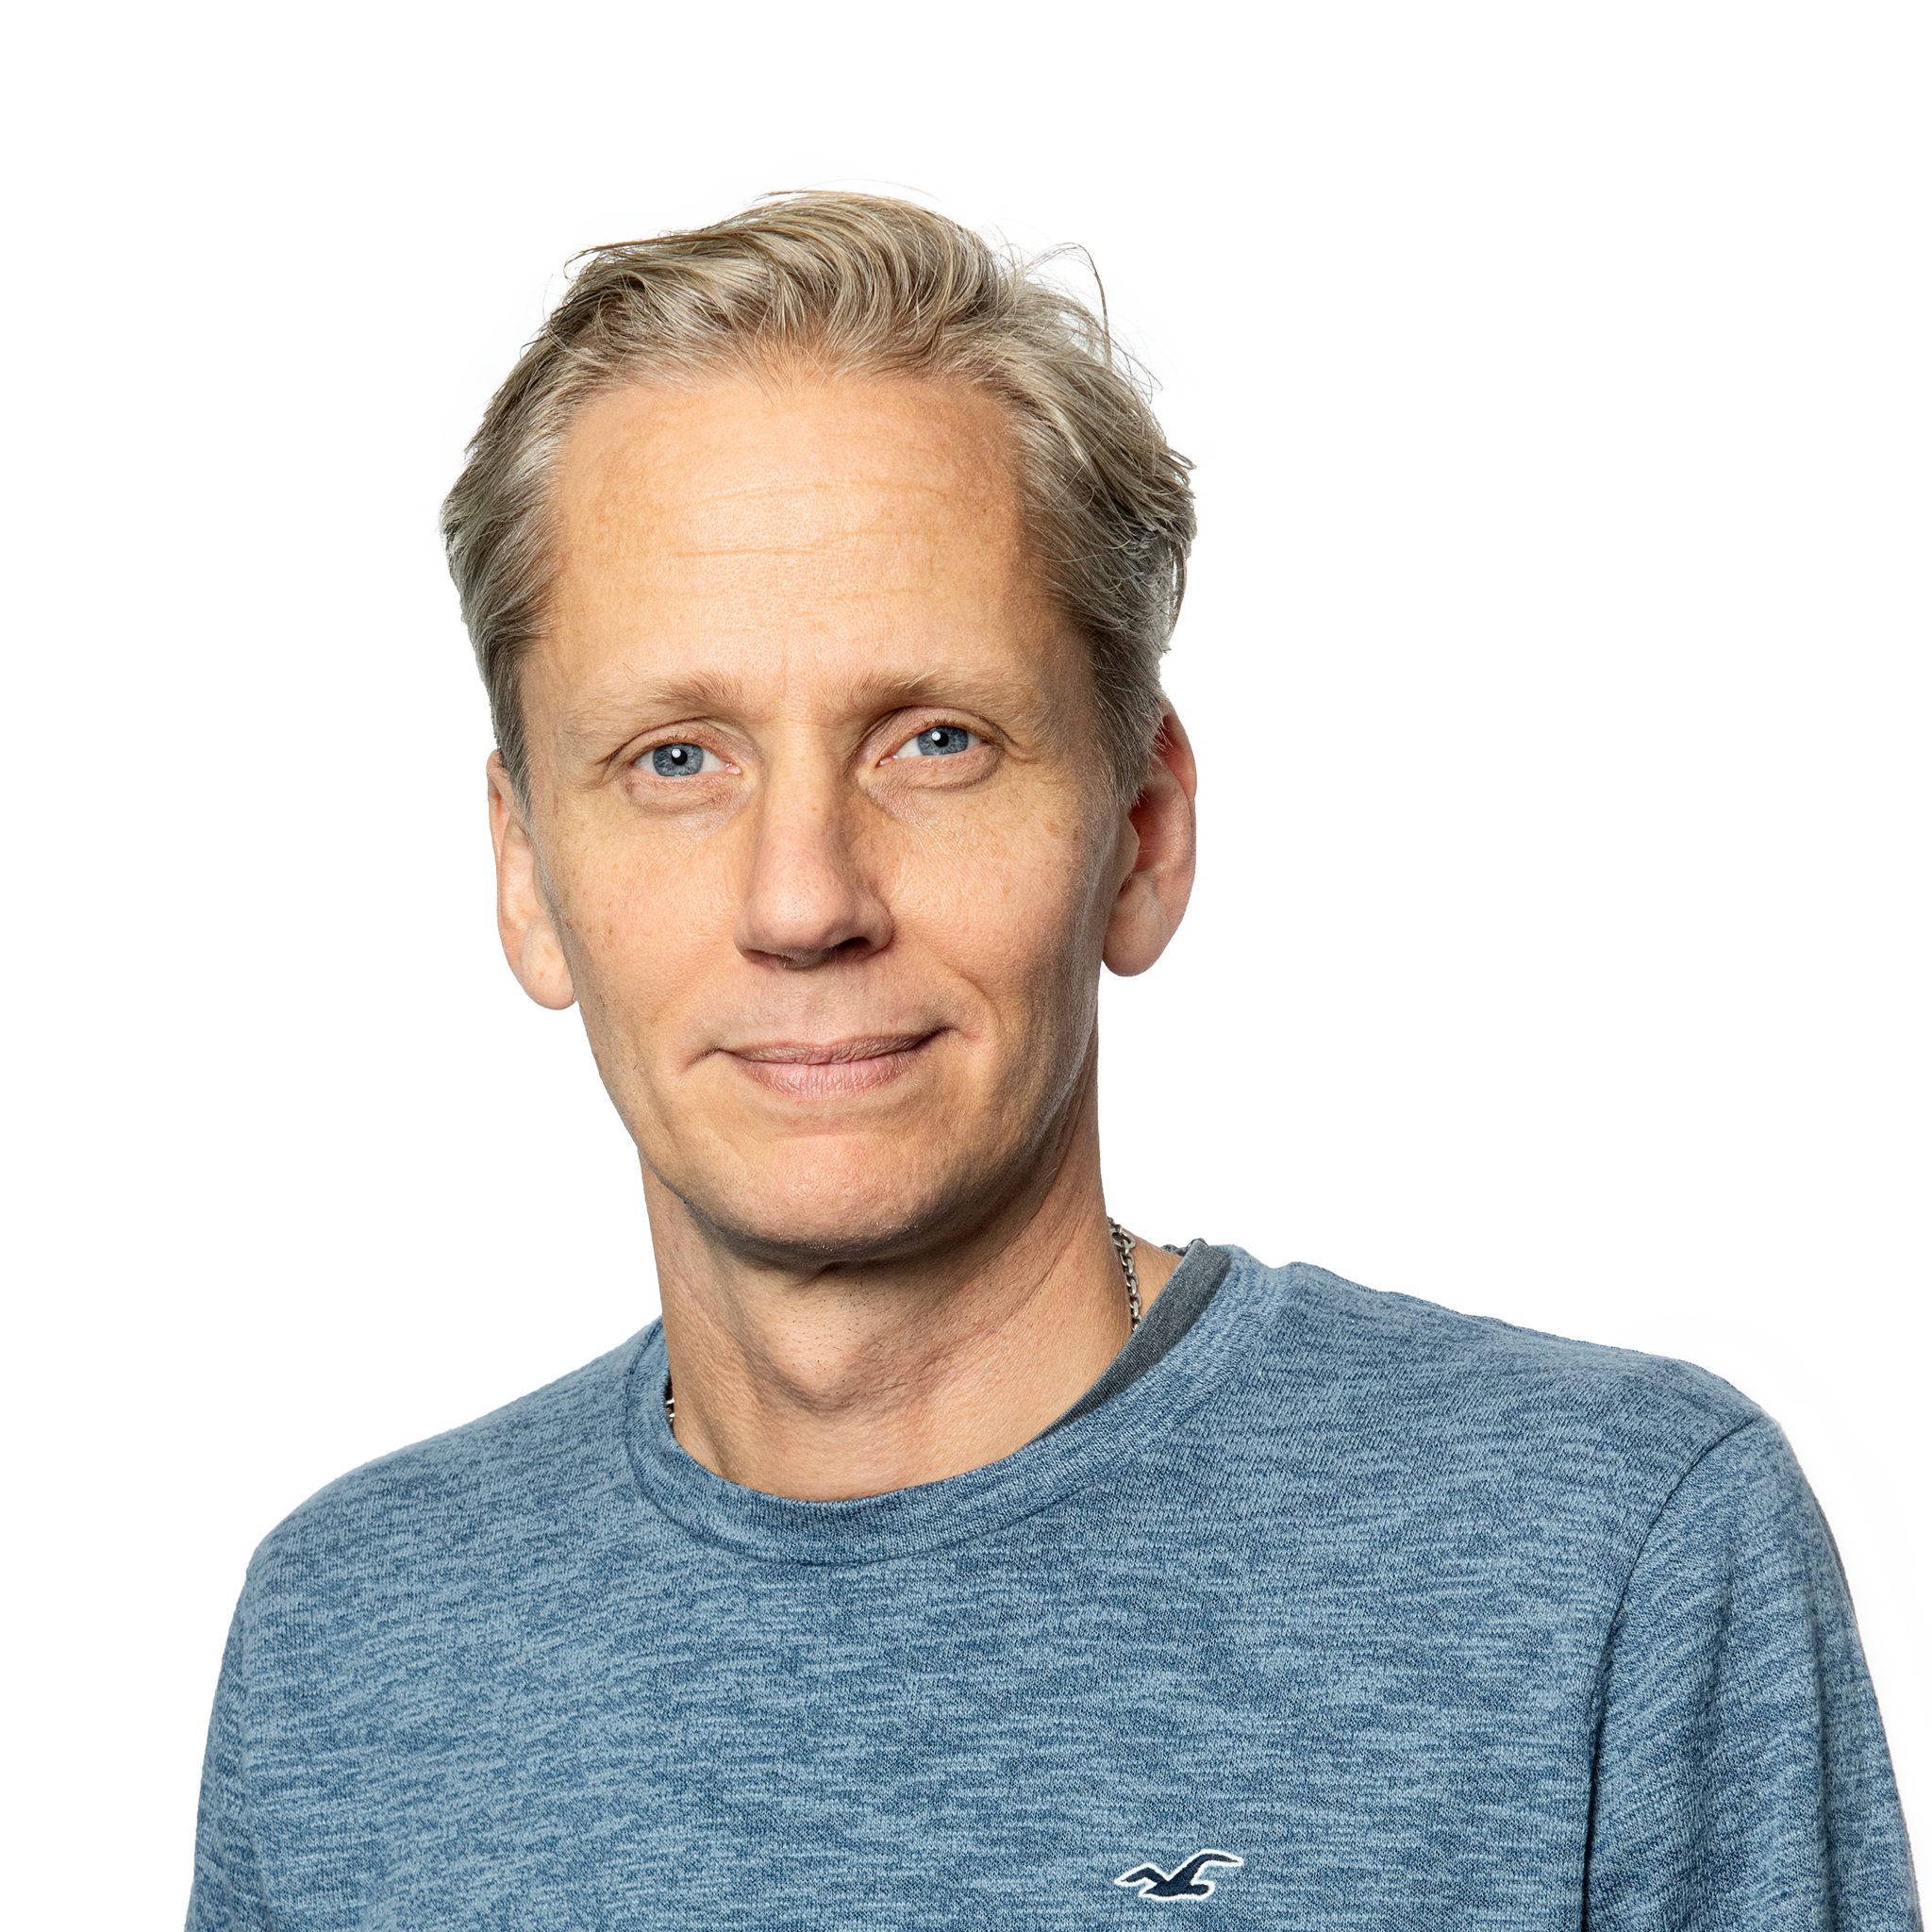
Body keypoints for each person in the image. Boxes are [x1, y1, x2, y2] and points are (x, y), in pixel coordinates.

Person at [188, 191, 1921, 1929]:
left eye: (935, 740)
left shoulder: (1606, 1562)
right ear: (522, 874)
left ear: (1144, 832)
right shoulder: (348, 1652)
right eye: (676, 759)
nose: (804, 899)